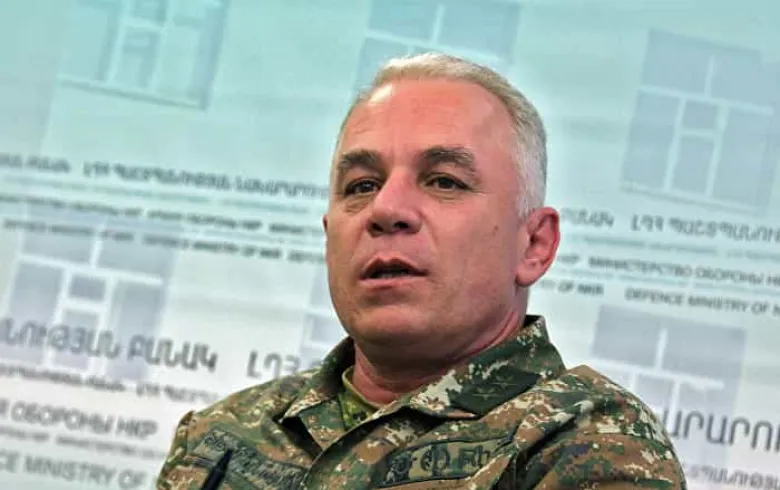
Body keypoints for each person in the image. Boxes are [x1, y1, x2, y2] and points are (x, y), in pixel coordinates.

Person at [156, 52, 686, 489]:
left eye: (444, 181)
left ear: (534, 245)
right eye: (362, 186)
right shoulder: (222, 434)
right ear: (328, 233)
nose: (386, 209)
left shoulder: (585, 443)